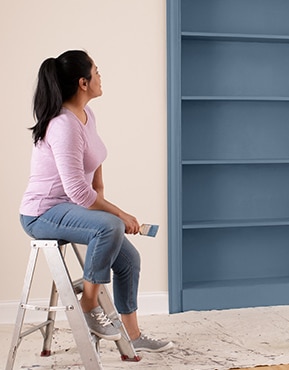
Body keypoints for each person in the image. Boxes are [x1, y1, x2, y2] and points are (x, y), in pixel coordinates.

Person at [19, 50, 174, 353]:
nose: (101, 76)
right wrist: (119, 214)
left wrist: (102, 194)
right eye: (97, 71)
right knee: (110, 225)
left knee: (130, 261)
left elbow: (94, 159)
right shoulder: (63, 125)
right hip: (42, 213)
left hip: (70, 209)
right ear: (83, 83)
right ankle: (89, 305)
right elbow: (77, 192)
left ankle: (133, 335)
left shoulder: (87, 115)